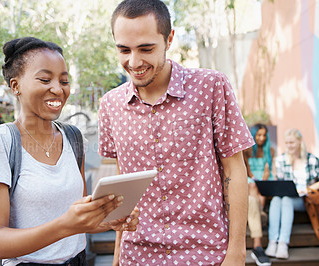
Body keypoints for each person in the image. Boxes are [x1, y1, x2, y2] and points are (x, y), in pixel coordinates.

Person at [98, 0, 255, 265]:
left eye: (146, 49)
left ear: (169, 39)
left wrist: (237, 252)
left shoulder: (211, 86)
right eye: (124, 50)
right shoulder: (110, 105)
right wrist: (117, 256)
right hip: (137, 256)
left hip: (206, 254)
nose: (134, 62)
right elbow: (124, 184)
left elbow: (235, 170)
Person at [0, 37, 139, 265]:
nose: (57, 89)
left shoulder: (73, 137)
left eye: (64, 81)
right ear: (16, 86)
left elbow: (80, 220)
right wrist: (66, 224)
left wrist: (110, 220)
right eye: (45, 79)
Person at [265, 128, 319, 259]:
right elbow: (280, 184)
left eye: (292, 142)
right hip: (287, 198)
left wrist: (306, 189)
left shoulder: (312, 160)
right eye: (287, 143)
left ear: (299, 142)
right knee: (278, 199)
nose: (289, 145)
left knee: (286, 200)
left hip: (305, 198)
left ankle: (283, 243)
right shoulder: (281, 160)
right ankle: (273, 242)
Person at [243, 124, 275, 265]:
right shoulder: (246, 150)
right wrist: (255, 180)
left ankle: (260, 212)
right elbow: (248, 171)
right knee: (252, 188)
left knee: (256, 193)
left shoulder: (270, 150)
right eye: (259, 135)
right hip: (251, 181)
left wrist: (263, 179)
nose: (261, 138)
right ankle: (261, 216)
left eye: (264, 135)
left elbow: (268, 171)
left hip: (264, 181)